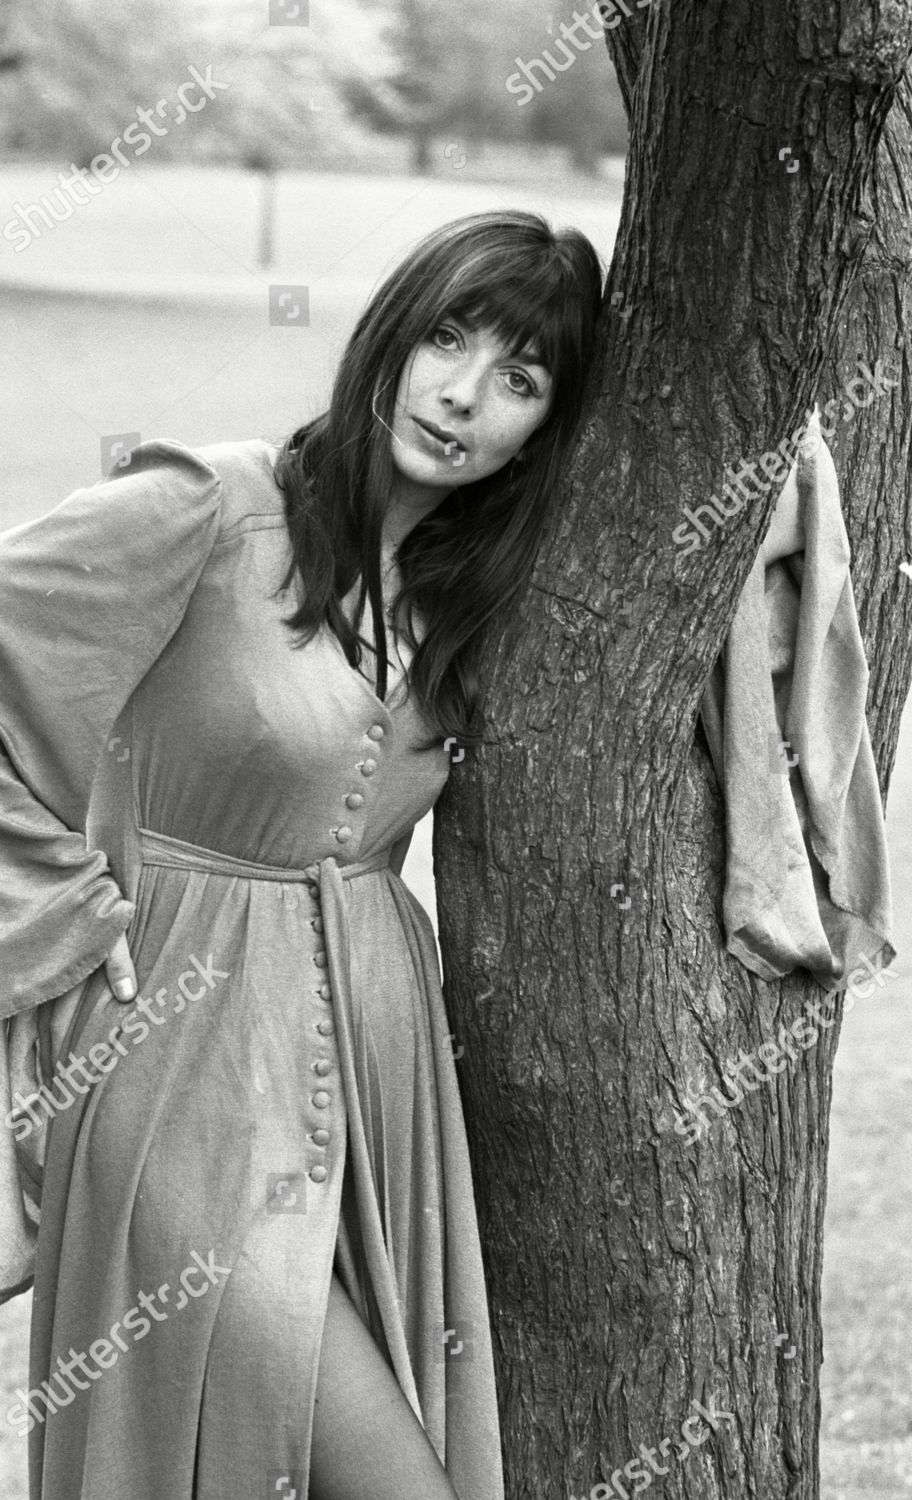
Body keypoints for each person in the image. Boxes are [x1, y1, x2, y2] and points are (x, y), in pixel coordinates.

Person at [0, 209, 604, 1500]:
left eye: (521, 379)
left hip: (378, 1091)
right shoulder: (212, 508)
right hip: (181, 1071)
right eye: (449, 337)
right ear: (392, 331)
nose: (463, 397)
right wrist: (53, 908)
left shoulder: (469, 595)